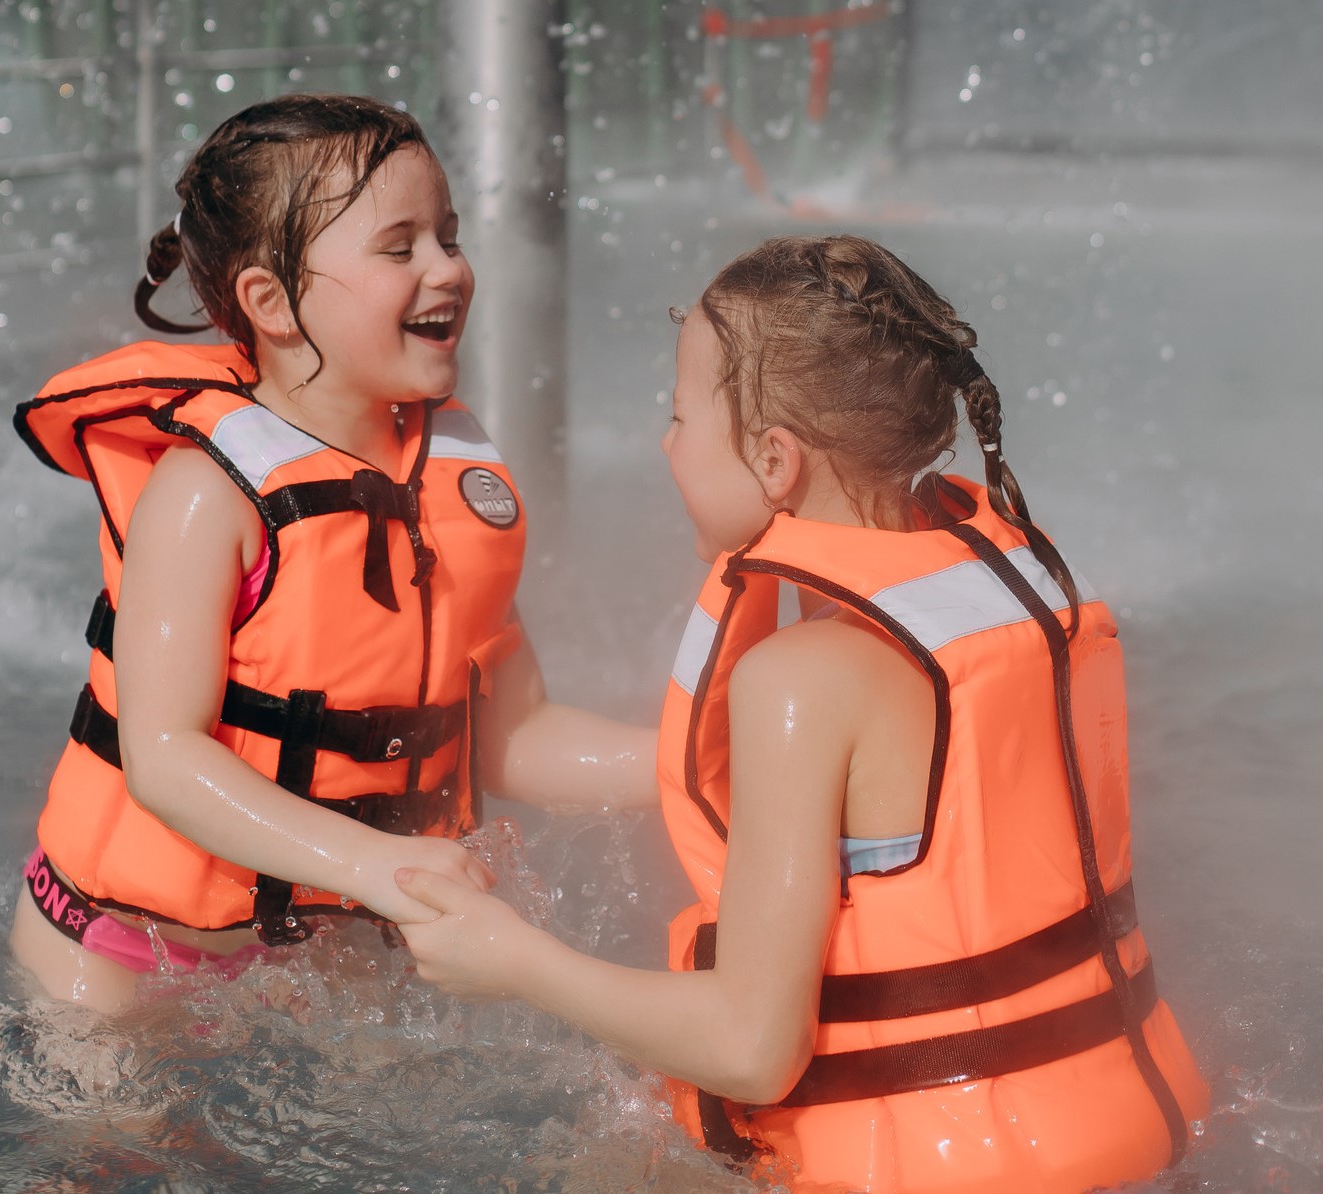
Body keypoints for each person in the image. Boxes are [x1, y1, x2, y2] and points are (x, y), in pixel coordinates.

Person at [386, 234, 1210, 1192]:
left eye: (678, 417)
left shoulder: (800, 680)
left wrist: (517, 960)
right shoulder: (1013, 589)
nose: (665, 445)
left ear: (775, 460)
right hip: (1128, 1139)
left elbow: (748, 1050)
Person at [8, 93, 653, 1014]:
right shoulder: (208, 495)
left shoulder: (444, 486)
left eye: (449, 237)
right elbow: (163, 758)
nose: (447, 270)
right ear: (270, 303)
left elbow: (513, 733)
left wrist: (692, 764)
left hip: (318, 953)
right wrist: (375, 863)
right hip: (121, 957)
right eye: (400, 248)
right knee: (104, 1159)